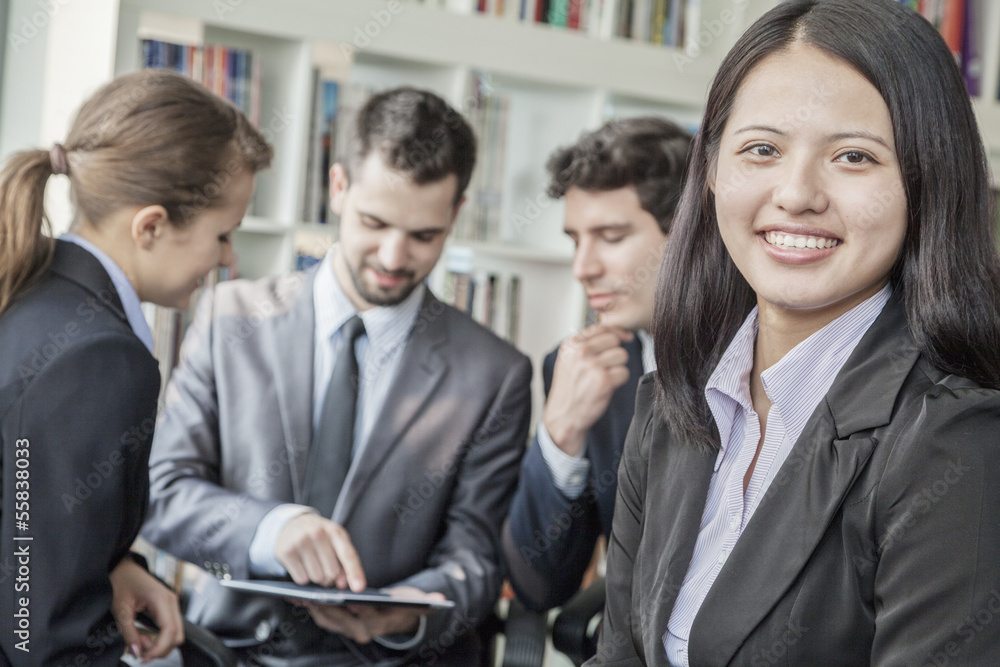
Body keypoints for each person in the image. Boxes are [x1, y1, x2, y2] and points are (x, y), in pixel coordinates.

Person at [588, 0, 1000, 665]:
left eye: (854, 157)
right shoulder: (673, 403)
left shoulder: (957, 440)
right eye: (762, 149)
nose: (797, 192)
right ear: (715, 169)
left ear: (926, 182)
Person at [140, 86, 532, 665]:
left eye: (424, 236)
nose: (395, 256)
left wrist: (407, 613)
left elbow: (475, 560)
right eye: (375, 223)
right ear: (338, 187)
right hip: (231, 650)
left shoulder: (495, 373)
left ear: (456, 214)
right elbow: (164, 493)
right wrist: (271, 530)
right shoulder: (231, 318)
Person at [0, 69, 272, 665]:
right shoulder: (97, 358)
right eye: (222, 235)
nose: (228, 259)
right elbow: (40, 636)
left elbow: (25, 529)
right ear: (150, 226)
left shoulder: (31, 289)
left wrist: (115, 564)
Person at [503, 118, 690, 613]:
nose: (582, 267)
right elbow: (540, 586)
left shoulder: (772, 360)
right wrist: (560, 432)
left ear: (691, 232)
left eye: (609, 236)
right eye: (575, 240)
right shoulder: (577, 369)